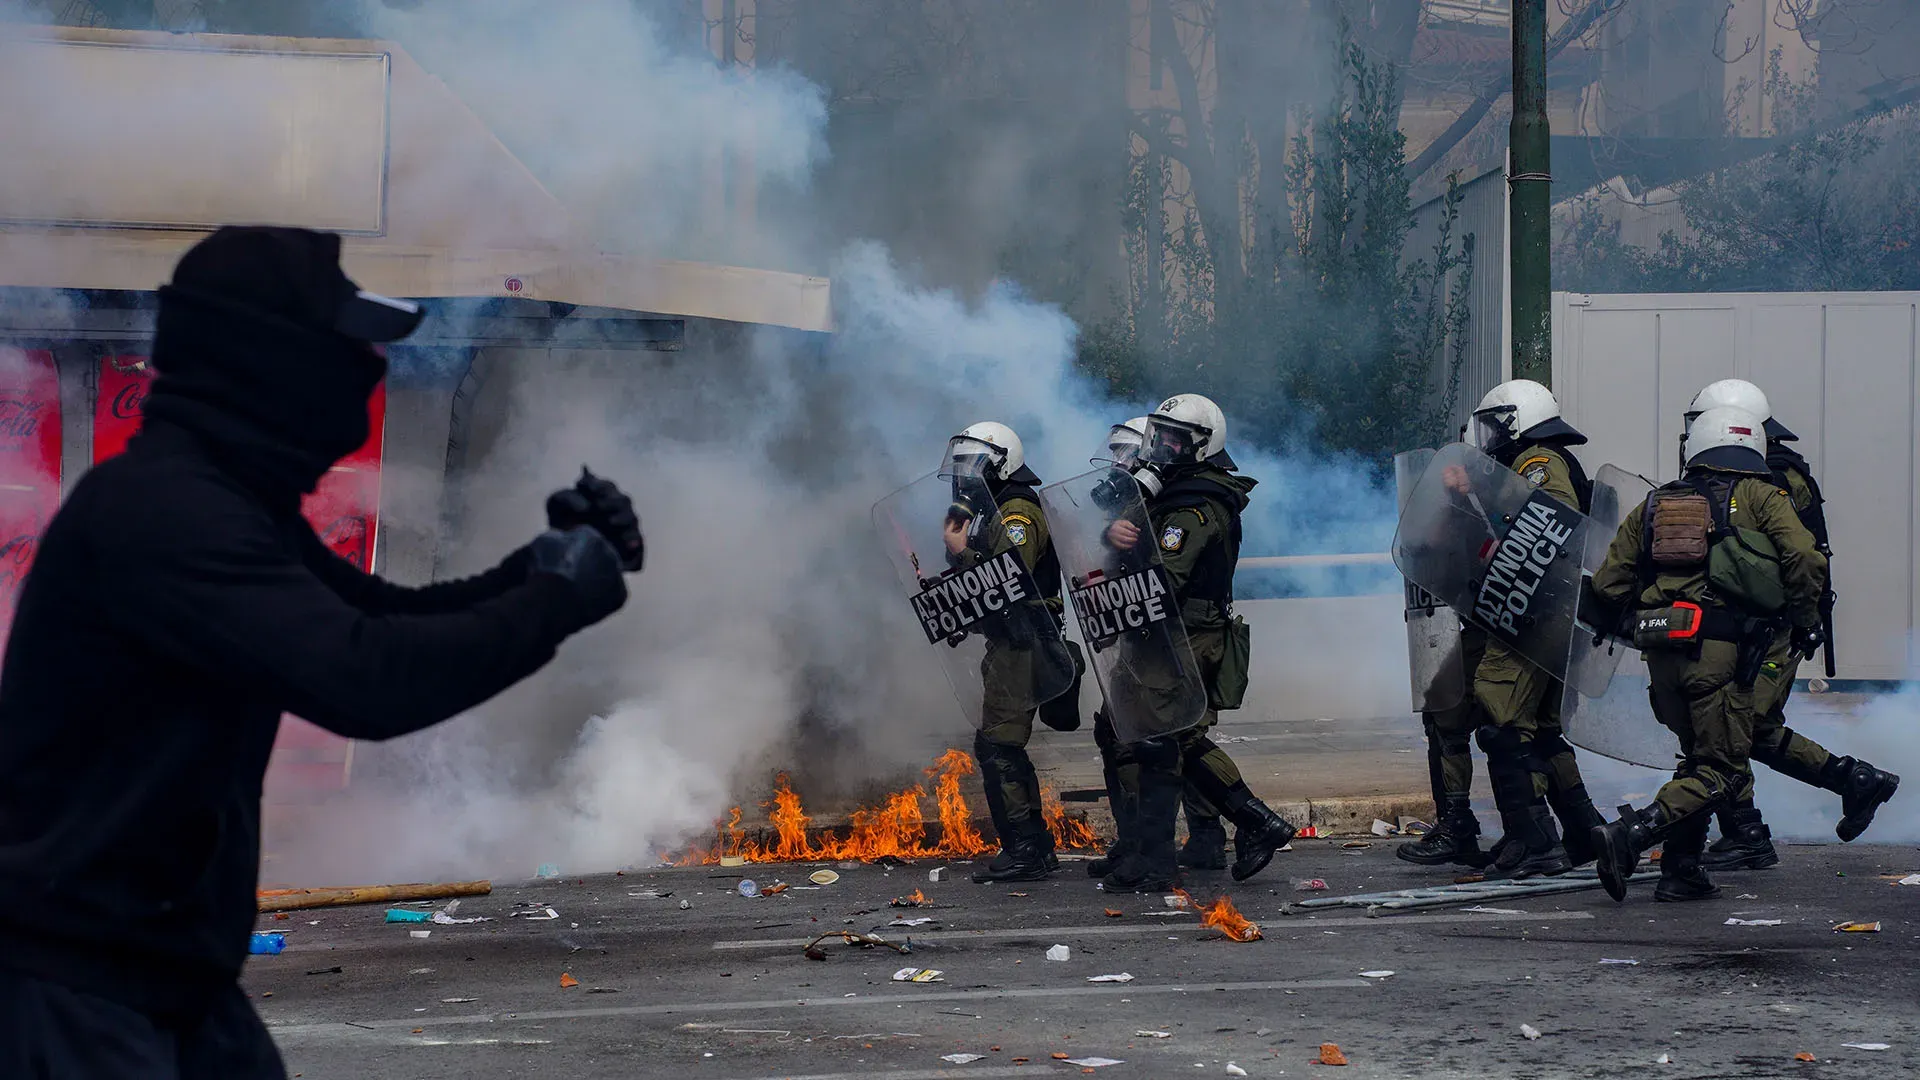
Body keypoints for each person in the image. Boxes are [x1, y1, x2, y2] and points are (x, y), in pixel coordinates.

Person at [0, 227, 642, 1079]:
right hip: (75, 996)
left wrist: (544, 565)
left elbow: (384, 615)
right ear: (271, 364)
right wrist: (560, 593)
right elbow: (367, 680)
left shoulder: (219, 498)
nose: (368, 368)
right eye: (344, 346)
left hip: (160, 984)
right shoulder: (170, 514)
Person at [1588, 406, 1828, 902]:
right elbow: (1805, 557)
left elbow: (1610, 584)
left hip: (1661, 656)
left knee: (1698, 758)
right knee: (1722, 768)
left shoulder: (1657, 502)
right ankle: (1630, 835)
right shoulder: (1762, 495)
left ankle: (1681, 871)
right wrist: (1804, 619)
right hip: (1721, 657)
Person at [1678, 381, 1898, 869]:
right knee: (1745, 727)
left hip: (1768, 627)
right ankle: (1852, 782)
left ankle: (1750, 833)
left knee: (1736, 727)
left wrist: (1800, 620)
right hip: (1760, 625)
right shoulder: (1769, 470)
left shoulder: (1767, 477)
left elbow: (1788, 556)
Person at [1098, 395, 1298, 892]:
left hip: (1182, 634)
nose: (1162, 447)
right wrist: (1114, 532)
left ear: (1203, 446)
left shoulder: (1193, 504)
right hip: (1162, 633)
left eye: (1174, 439)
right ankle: (1252, 825)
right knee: (1166, 738)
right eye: (1158, 436)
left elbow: (1167, 576)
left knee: (1164, 743)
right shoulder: (1173, 491)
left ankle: (1162, 860)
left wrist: (1134, 541)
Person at [1459, 379, 1607, 879]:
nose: (1490, 435)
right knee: (1541, 729)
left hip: (1532, 613)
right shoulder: (1532, 463)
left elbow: (1552, 522)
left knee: (1501, 721)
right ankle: (1584, 831)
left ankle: (1535, 838)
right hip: (1552, 613)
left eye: (1495, 424)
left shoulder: (1537, 462)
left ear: (1517, 420)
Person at [944, 422, 1079, 884]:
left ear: (1001, 463)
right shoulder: (998, 510)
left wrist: (961, 553)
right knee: (1000, 745)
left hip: (1023, 646)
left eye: (971, 464)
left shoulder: (1017, 512)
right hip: (1010, 643)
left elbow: (1008, 579)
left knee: (999, 747)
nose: (963, 476)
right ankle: (1035, 847)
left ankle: (1025, 849)